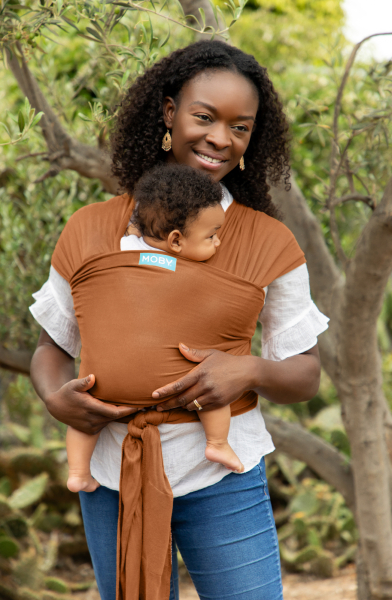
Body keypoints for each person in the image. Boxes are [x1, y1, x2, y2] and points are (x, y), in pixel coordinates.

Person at [29, 40, 329, 600]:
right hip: (111, 473)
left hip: (223, 472)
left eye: (241, 127)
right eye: (205, 117)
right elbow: (51, 348)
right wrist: (54, 397)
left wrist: (249, 372)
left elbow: (305, 375)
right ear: (169, 113)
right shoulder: (90, 229)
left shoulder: (269, 242)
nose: (221, 138)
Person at [66, 163, 245, 495]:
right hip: (173, 383)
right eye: (211, 235)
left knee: (84, 416)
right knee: (212, 390)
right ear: (176, 241)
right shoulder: (190, 268)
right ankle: (217, 443)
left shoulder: (125, 249)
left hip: (105, 380)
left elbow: (134, 241)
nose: (218, 243)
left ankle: (77, 471)